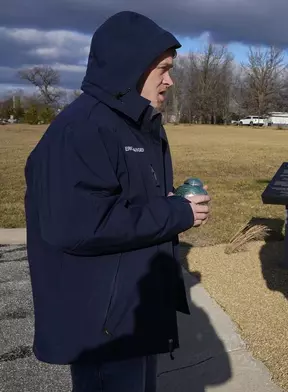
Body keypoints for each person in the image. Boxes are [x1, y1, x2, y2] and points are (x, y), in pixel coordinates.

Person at [23, 11, 210, 392]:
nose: (169, 80)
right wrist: (176, 213)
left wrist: (171, 202)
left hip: (131, 313)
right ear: (132, 67)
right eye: (162, 69)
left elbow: (128, 202)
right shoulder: (83, 129)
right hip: (103, 327)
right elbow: (76, 226)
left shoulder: (133, 124)